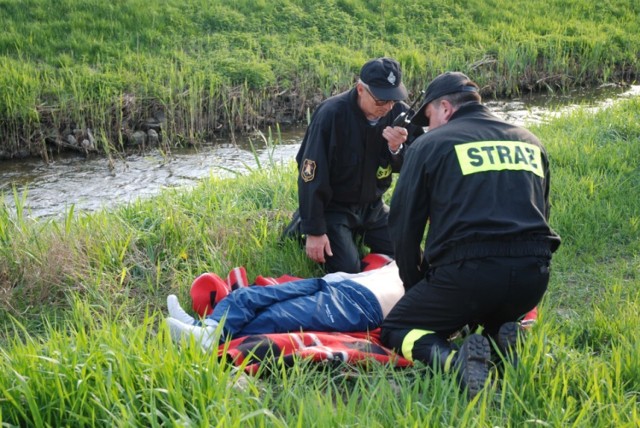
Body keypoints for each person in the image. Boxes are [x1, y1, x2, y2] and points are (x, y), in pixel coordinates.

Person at [379, 72, 562, 398]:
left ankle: (454, 363)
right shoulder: (530, 141)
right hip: (532, 280)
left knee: (397, 328)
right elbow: (542, 215)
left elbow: (404, 229)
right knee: (492, 309)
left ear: (445, 108)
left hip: (468, 278)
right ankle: (501, 337)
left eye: (429, 117)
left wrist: (416, 289)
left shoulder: (429, 144)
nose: (428, 126)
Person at [294, 57, 423, 273]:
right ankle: (301, 224)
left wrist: (396, 149)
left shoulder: (398, 112)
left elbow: (418, 163)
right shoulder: (331, 115)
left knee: (413, 256)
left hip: (374, 206)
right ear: (361, 89)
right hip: (335, 208)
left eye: (393, 99)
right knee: (348, 272)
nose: (388, 106)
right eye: (381, 100)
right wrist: (315, 230)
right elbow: (310, 175)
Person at [167, 260, 404, 350]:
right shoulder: (403, 259)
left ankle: (209, 338)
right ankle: (205, 326)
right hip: (334, 285)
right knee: (251, 296)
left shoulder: (428, 282)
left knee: (278, 316)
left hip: (357, 305)